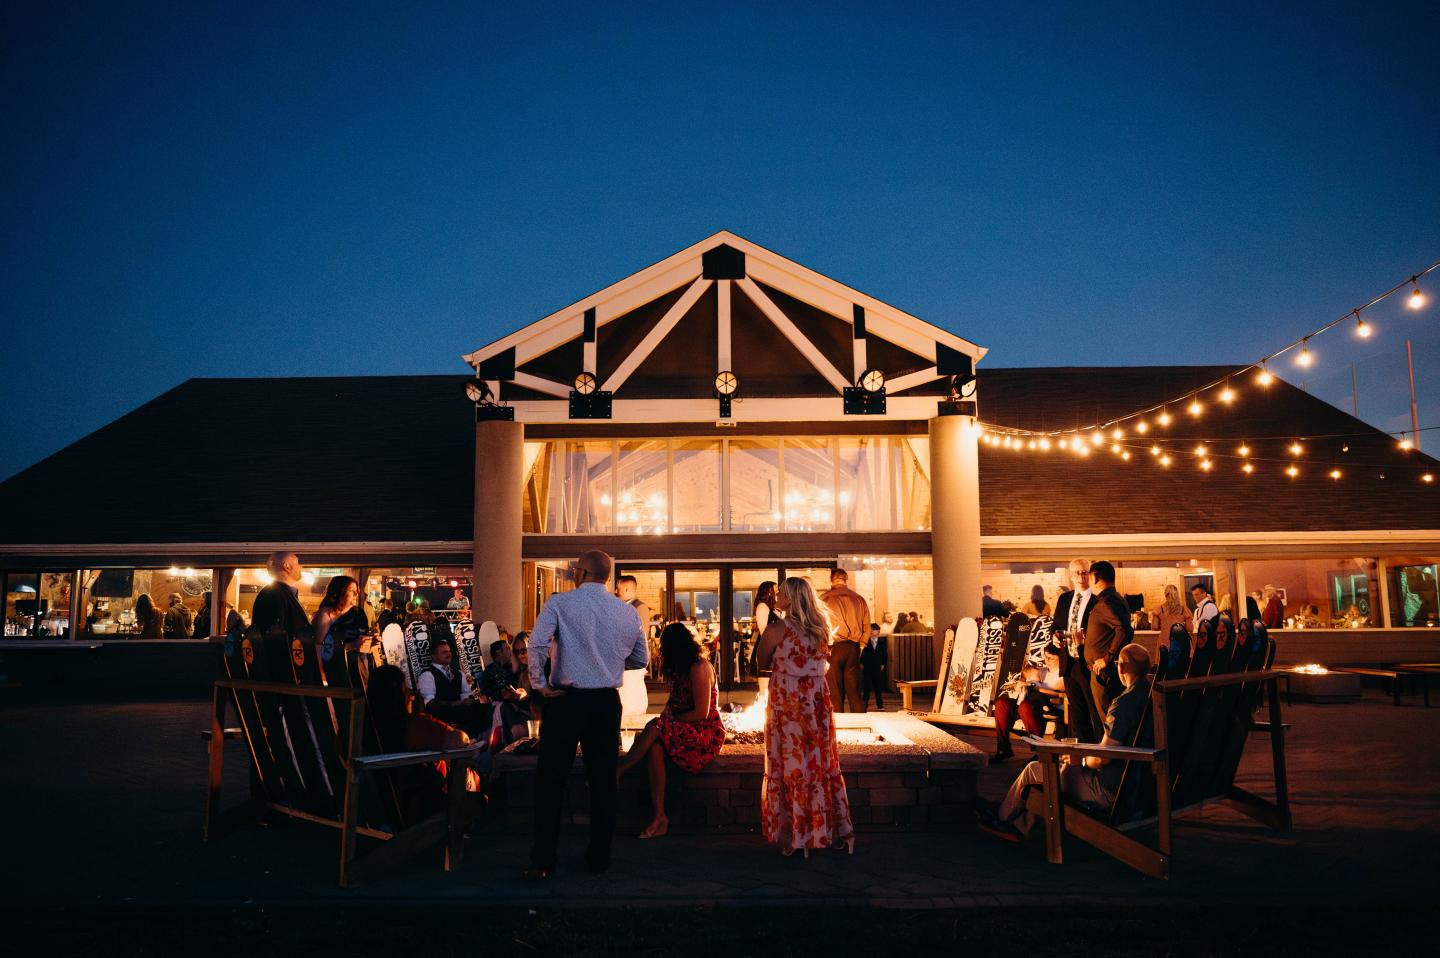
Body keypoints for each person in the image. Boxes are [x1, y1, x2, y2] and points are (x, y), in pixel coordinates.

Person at [525, 550, 648, 880]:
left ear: (580, 573)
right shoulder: (626, 613)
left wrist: (539, 683)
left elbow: (536, 644)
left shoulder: (560, 604)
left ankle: (543, 860)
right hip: (606, 702)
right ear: (608, 577)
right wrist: (607, 663)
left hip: (566, 700)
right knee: (603, 781)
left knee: (551, 780)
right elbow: (640, 657)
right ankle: (598, 858)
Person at [980, 643, 1153, 842]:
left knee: (1035, 769)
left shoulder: (1124, 704)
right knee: (1061, 765)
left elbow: (1104, 758)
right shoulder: (1151, 697)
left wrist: (1081, 760)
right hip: (1138, 788)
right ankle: (1019, 819)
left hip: (1109, 791)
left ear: (1121, 667)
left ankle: (1005, 819)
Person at [754, 576, 855, 858]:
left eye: (782, 594)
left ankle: (796, 835)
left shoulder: (777, 629)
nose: (777, 597)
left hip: (787, 704)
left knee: (790, 764)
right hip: (816, 703)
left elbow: (761, 661)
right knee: (820, 763)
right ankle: (827, 830)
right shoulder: (820, 628)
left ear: (791, 598)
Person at [616, 623, 725, 839]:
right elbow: (673, 705)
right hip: (683, 728)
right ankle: (659, 816)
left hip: (704, 733)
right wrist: (669, 718)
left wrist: (669, 721)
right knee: (655, 747)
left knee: (656, 726)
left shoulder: (699, 668)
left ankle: (621, 768)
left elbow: (702, 713)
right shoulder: (680, 670)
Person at [364, 664, 481, 822]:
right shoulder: (414, 724)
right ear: (402, 693)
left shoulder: (360, 729)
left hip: (376, 809)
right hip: (419, 805)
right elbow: (459, 739)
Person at [991, 646, 1066, 761]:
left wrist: (1035, 687)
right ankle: (1003, 748)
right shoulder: (1041, 670)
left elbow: (1058, 692)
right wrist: (1020, 683)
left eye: (1050, 658)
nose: (1046, 660)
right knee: (1001, 703)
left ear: (1060, 658)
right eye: (1044, 656)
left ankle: (1038, 750)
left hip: (1045, 706)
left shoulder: (1062, 674)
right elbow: (1024, 679)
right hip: (1025, 701)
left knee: (1024, 707)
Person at [1052, 559, 1098, 743]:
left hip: (1087, 662)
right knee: (1077, 713)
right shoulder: (1064, 599)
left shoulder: (1097, 601)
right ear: (1071, 576)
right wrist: (1054, 637)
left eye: (1084, 572)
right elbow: (1055, 626)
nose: (1080, 576)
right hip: (1068, 662)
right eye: (1076, 573)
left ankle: (1098, 754)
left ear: (1090, 575)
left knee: (1093, 709)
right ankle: (1082, 755)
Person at [1085, 561, 1133, 717]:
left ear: (1095, 577)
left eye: (1088, 576)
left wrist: (1107, 658)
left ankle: (1110, 743)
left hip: (1104, 672)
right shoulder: (1113, 598)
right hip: (1105, 671)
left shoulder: (1107, 602)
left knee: (1109, 719)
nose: (1088, 581)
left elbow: (1125, 630)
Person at [820, 568, 870, 713]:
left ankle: (838, 728)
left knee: (834, 693)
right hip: (853, 648)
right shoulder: (859, 599)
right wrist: (861, 646)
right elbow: (867, 626)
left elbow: (819, 625)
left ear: (831, 580)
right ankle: (860, 726)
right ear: (846, 579)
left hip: (832, 648)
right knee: (855, 693)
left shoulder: (824, 599)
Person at [480, 638, 530, 743]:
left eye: (524, 650)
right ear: (499, 652)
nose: (512, 652)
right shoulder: (494, 670)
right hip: (506, 708)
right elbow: (501, 693)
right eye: (509, 649)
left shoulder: (514, 668)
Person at [251, 552, 309, 638]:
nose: (300, 566)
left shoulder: (275, 593)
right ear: (287, 566)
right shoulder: (272, 595)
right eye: (297, 563)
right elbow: (276, 634)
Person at [311, 575, 366, 663]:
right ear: (339, 592)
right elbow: (320, 648)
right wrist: (351, 646)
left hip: (356, 667)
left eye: (357, 591)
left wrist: (369, 643)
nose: (356, 594)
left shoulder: (356, 613)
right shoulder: (325, 615)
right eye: (352, 590)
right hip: (335, 669)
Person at [750, 581, 778, 678]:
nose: (777, 591)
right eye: (775, 589)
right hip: (767, 648)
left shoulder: (771, 607)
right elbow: (763, 632)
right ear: (768, 592)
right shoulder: (762, 606)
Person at [859, 622, 889, 710]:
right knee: (866, 687)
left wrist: (883, 664)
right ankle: (864, 705)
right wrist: (861, 662)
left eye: (874, 629)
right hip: (867, 665)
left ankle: (880, 705)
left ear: (878, 631)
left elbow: (885, 654)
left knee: (878, 686)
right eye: (870, 629)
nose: (872, 631)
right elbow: (862, 653)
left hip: (877, 666)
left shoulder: (881, 642)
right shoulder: (866, 641)